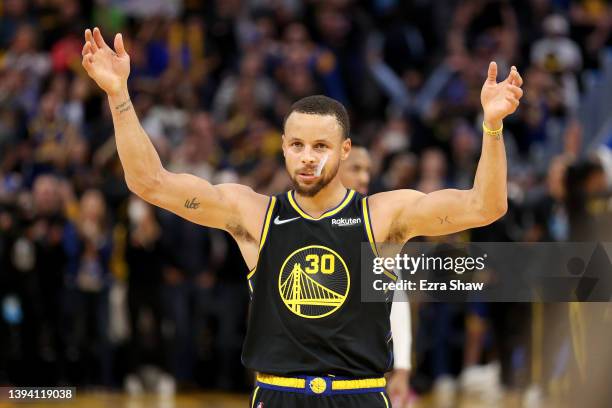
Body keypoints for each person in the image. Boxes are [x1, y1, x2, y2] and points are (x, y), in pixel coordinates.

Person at [81, 26, 523, 407]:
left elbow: (485, 207)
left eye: (320, 146)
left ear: (344, 150)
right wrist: (119, 95)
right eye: (297, 146)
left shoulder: (383, 215)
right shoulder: (254, 214)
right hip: (277, 394)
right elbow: (150, 183)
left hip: (360, 394)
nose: (307, 158)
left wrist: (492, 126)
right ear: (283, 146)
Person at [339, 145, 412, 408]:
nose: (364, 178)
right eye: (355, 169)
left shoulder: (377, 227)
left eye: (368, 170)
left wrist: (402, 368)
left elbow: (397, 305)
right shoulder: (295, 220)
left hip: (358, 382)